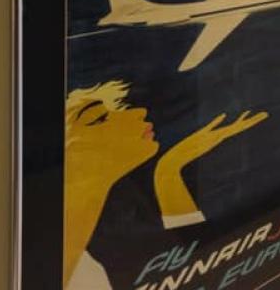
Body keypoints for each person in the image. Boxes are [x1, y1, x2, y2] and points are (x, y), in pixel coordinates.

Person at [63, 80, 267, 290]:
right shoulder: (65, 266)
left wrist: (169, 171)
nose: (140, 112)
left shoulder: (86, 257)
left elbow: (192, 270)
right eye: (99, 117)